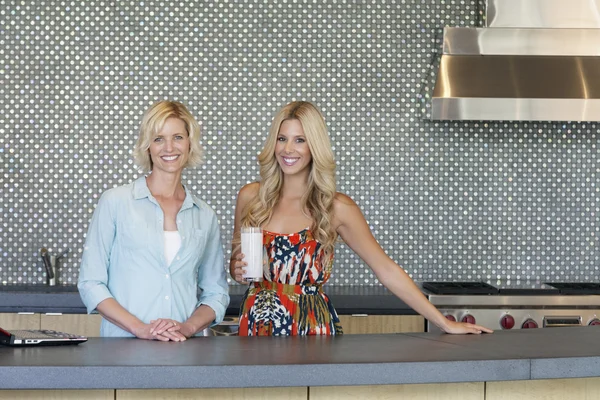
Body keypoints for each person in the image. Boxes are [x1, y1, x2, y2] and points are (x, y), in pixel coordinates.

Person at [230, 101, 493, 336]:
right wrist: (236, 270)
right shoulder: (251, 197)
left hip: (309, 327)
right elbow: (237, 263)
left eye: (300, 140)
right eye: (282, 138)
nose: (288, 149)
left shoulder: (336, 207)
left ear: (315, 146)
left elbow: (386, 269)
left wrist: (444, 322)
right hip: (257, 322)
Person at [78, 100, 229, 341]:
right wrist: (140, 328)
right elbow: (91, 283)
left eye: (178, 137)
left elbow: (216, 293)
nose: (169, 147)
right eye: (159, 138)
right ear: (148, 146)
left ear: (190, 143)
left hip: (184, 352)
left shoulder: (204, 215)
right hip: (122, 352)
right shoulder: (116, 202)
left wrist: (187, 328)